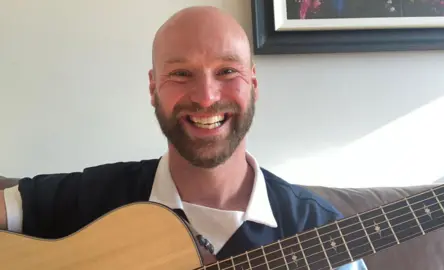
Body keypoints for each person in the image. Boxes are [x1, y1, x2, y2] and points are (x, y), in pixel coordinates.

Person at [0, 6, 367, 270]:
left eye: (226, 70)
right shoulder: (97, 194)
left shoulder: (322, 233)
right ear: (152, 87)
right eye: (180, 73)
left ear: (253, 84)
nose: (206, 97)